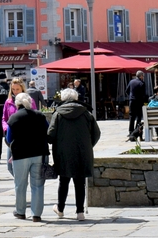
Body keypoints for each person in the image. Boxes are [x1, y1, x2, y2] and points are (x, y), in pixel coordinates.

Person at [47, 86, 100, 221]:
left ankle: (60, 209)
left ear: (63, 99)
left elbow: (51, 134)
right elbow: (96, 133)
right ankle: (80, 212)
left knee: (63, 181)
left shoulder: (58, 113)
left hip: (63, 153)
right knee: (80, 181)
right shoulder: (86, 113)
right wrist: (88, 145)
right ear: (76, 98)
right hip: (82, 152)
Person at [7, 92, 49, 222]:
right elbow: (48, 131)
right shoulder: (40, 116)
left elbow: (9, 138)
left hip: (20, 155)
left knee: (20, 184)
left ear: (17, 104)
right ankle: (36, 214)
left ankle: (20, 211)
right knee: (38, 184)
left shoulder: (14, 118)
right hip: (39, 153)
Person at [1, 78, 34, 162]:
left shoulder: (30, 101)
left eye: (17, 89)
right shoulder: (8, 102)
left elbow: (34, 116)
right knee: (10, 166)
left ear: (22, 89)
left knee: (23, 162)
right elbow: (4, 118)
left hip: (26, 136)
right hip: (12, 136)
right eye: (13, 89)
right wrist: (6, 128)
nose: (15, 92)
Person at [127, 70, 148, 140]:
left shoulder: (131, 81)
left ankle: (130, 131)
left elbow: (127, 91)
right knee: (139, 117)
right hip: (139, 101)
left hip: (132, 101)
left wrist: (130, 96)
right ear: (141, 76)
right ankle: (137, 131)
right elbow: (143, 94)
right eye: (143, 76)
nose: (143, 77)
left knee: (132, 116)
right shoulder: (142, 83)